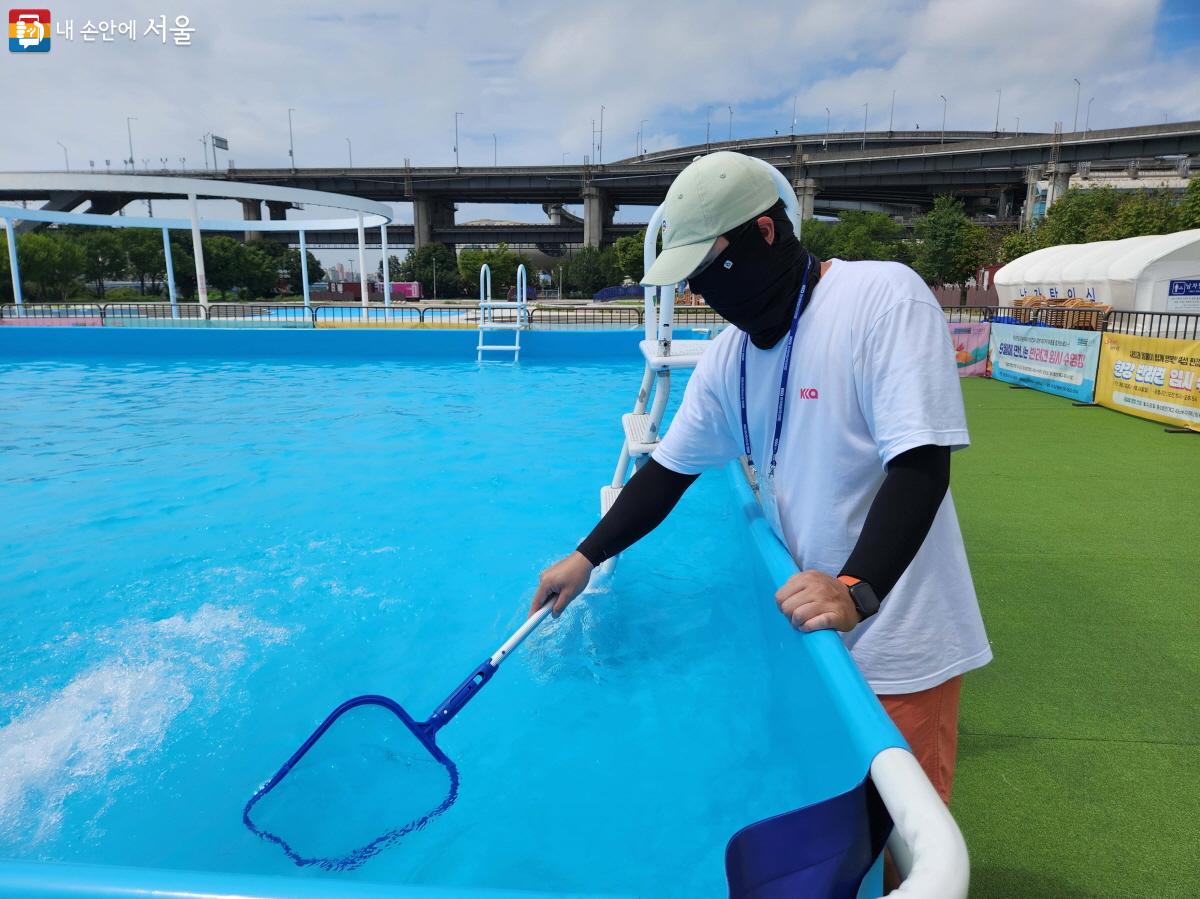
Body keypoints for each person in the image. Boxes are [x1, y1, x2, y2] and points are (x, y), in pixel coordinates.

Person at [529, 151, 991, 811]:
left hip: (893, 642)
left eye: (707, 271)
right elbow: (665, 474)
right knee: (829, 826)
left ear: (765, 234)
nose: (702, 294)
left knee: (901, 844)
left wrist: (856, 590)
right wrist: (585, 555)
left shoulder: (879, 297)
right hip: (811, 633)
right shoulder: (728, 359)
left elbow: (920, 465)